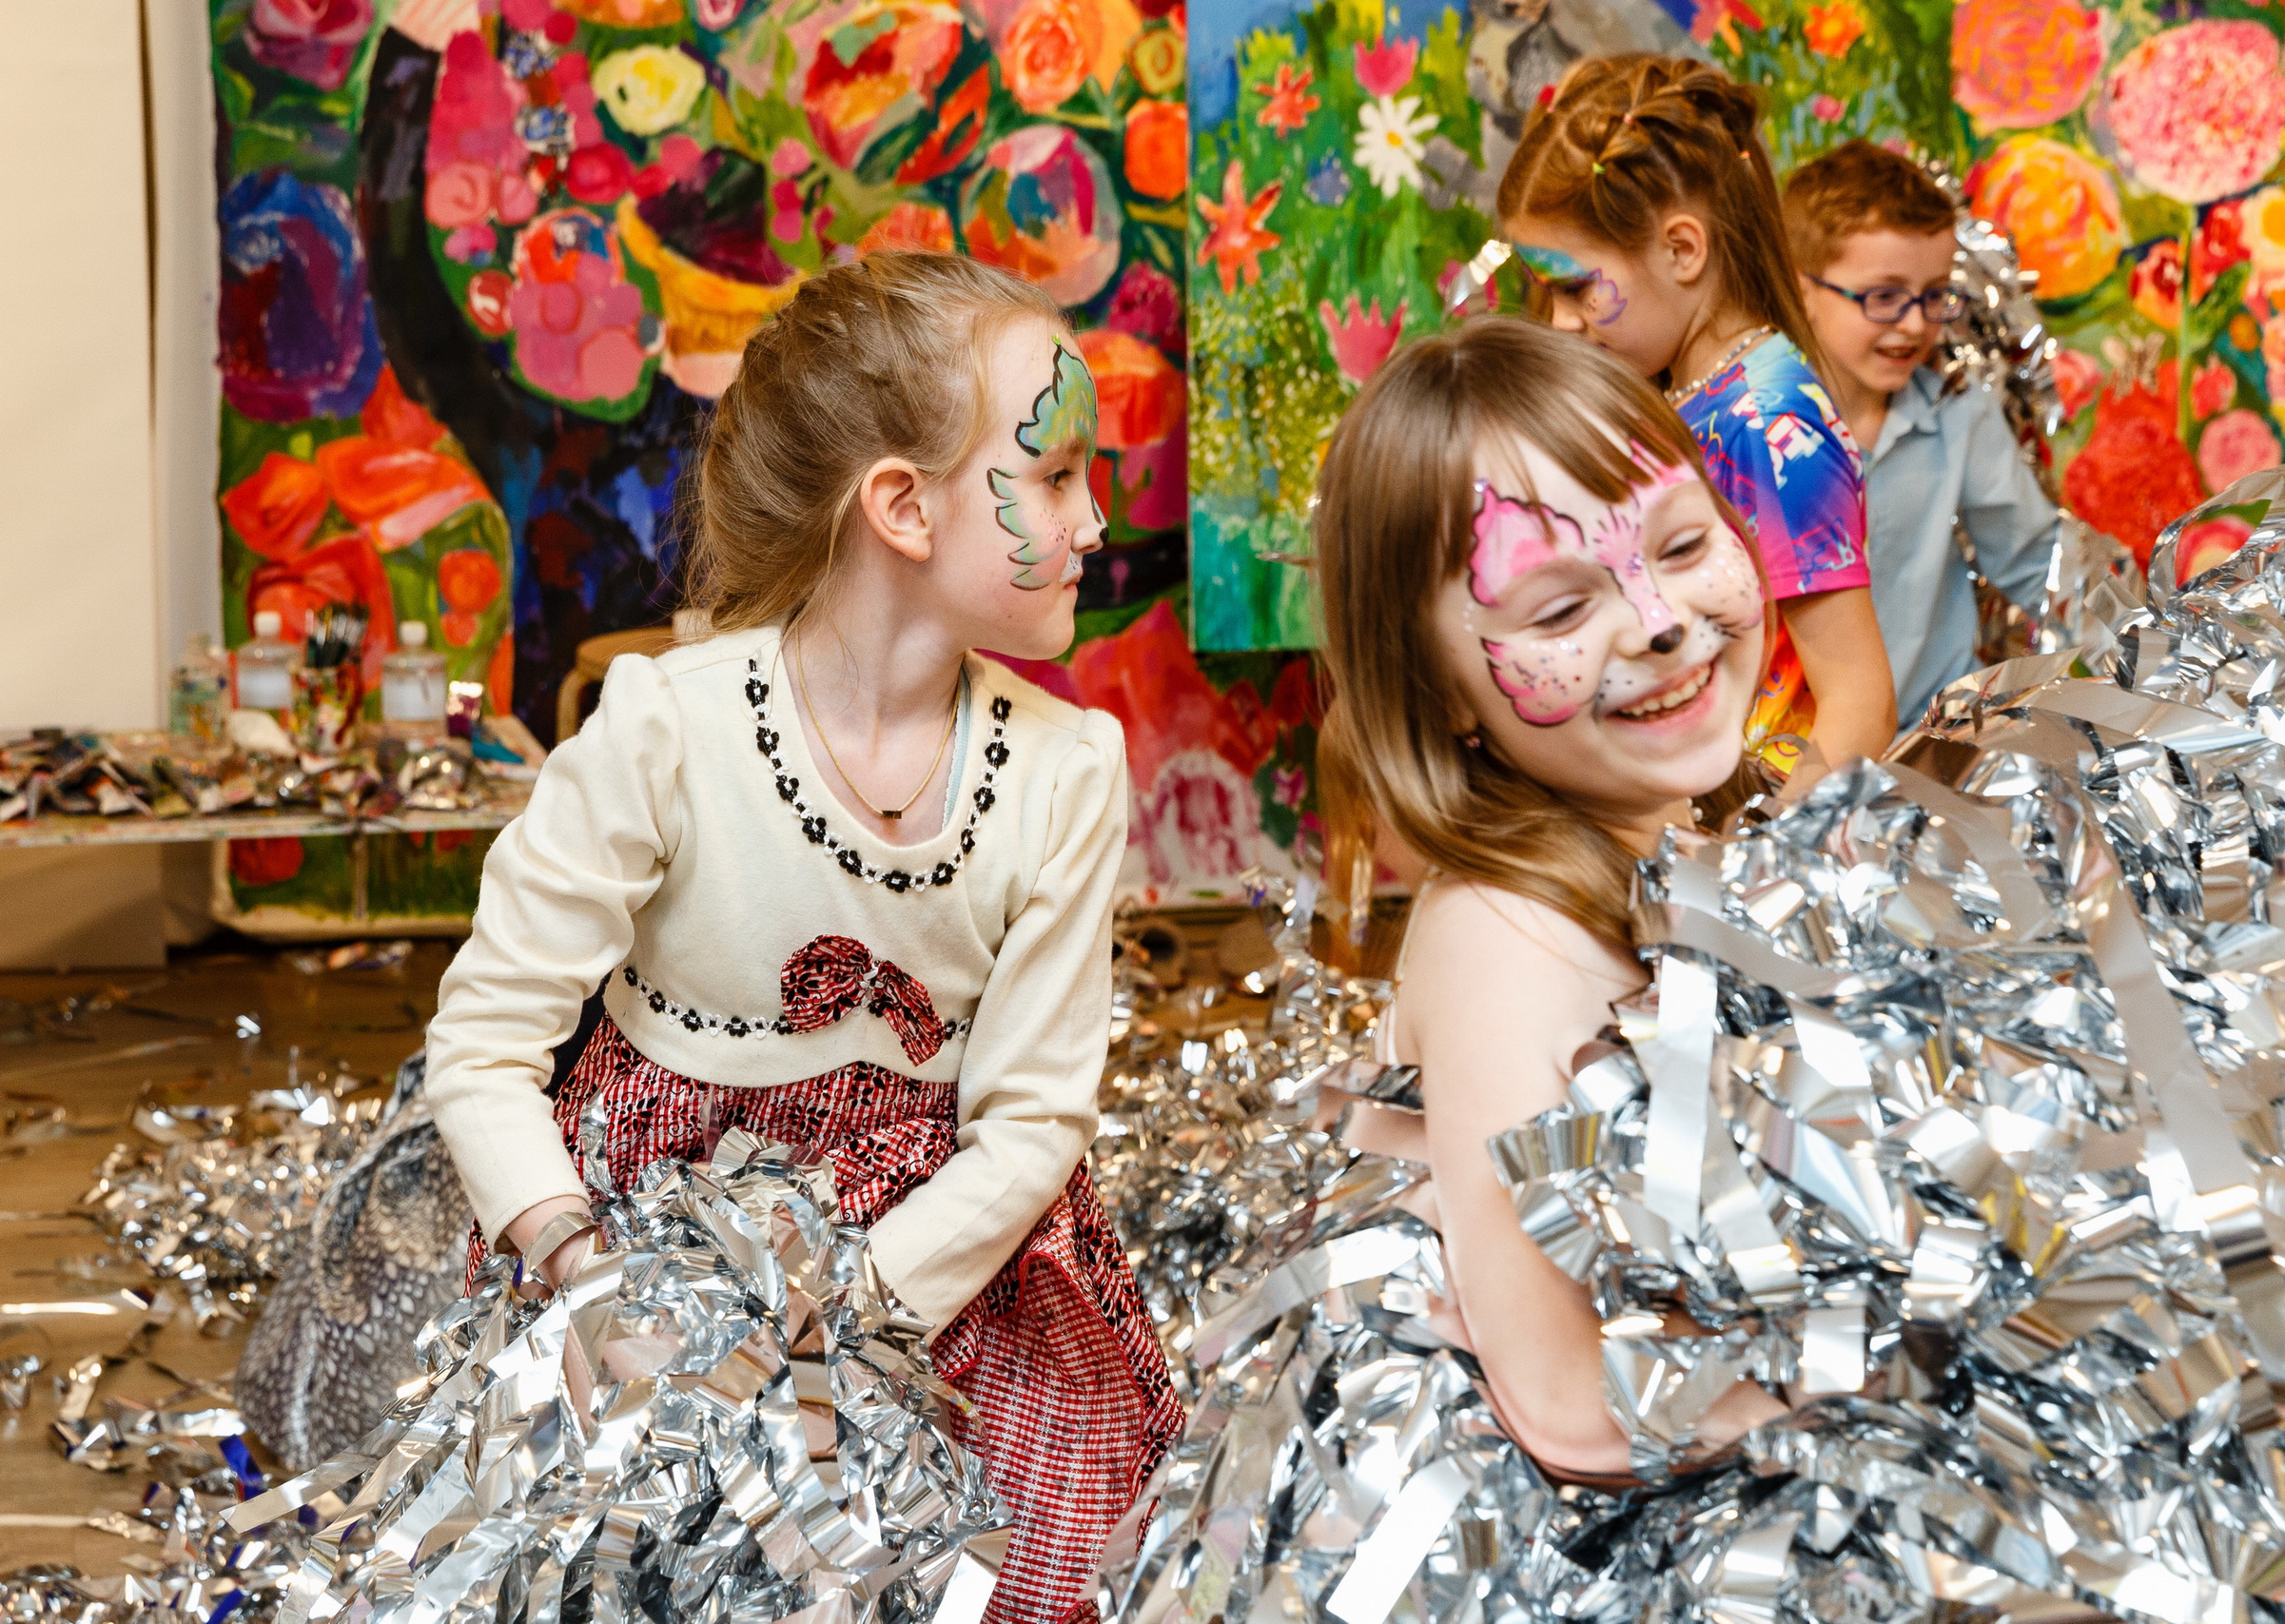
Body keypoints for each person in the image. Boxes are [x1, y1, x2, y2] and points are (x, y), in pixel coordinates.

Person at [422, 251, 1182, 1624]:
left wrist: (829, 1315)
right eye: (1057, 475)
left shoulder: (1067, 769)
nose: (1093, 521)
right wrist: (599, 1285)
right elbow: (483, 1046)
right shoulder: (666, 728)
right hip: (640, 1247)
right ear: (900, 503)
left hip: (934, 1268)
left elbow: (1031, 1123)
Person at [1312, 316, 1790, 1481]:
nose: (1662, 620)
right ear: (1444, 698)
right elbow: (1571, 1404)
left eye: (1681, 545)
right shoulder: (1504, 940)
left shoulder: (1699, 829)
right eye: (1561, 611)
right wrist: (1922, 1372)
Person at [1494, 54, 1896, 790]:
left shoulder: (1770, 422)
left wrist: (1758, 867)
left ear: (1682, 249)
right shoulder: (1686, 393)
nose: (1557, 323)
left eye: (1576, 287)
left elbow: (1860, 703)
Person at [1784, 140, 2061, 728]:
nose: (1913, 324)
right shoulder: (1757, 436)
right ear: (1801, 289)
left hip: (1931, 746)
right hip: (1797, 759)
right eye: (1883, 296)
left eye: (1935, 296)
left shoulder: (1962, 418)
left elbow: (2041, 563)